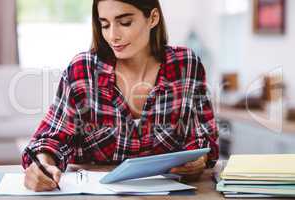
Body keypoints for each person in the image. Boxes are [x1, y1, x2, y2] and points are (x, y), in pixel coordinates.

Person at [22, 0, 219, 192]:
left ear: (153, 18)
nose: (112, 36)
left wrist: (198, 160)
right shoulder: (83, 70)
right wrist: (42, 164)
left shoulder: (186, 65)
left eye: (125, 22)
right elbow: (52, 139)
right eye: (104, 25)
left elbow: (204, 135)